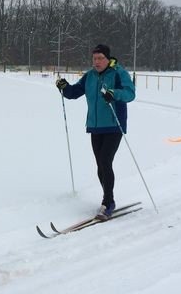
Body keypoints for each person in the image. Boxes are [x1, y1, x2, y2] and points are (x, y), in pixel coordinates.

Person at [55, 44, 136, 220]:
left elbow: (130, 93)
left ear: (108, 59)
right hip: (95, 126)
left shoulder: (118, 73)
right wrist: (64, 87)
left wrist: (114, 94)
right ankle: (108, 198)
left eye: (100, 58)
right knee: (101, 166)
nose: (97, 62)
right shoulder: (90, 76)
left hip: (114, 125)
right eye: (94, 59)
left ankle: (108, 202)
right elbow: (74, 92)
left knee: (106, 161)